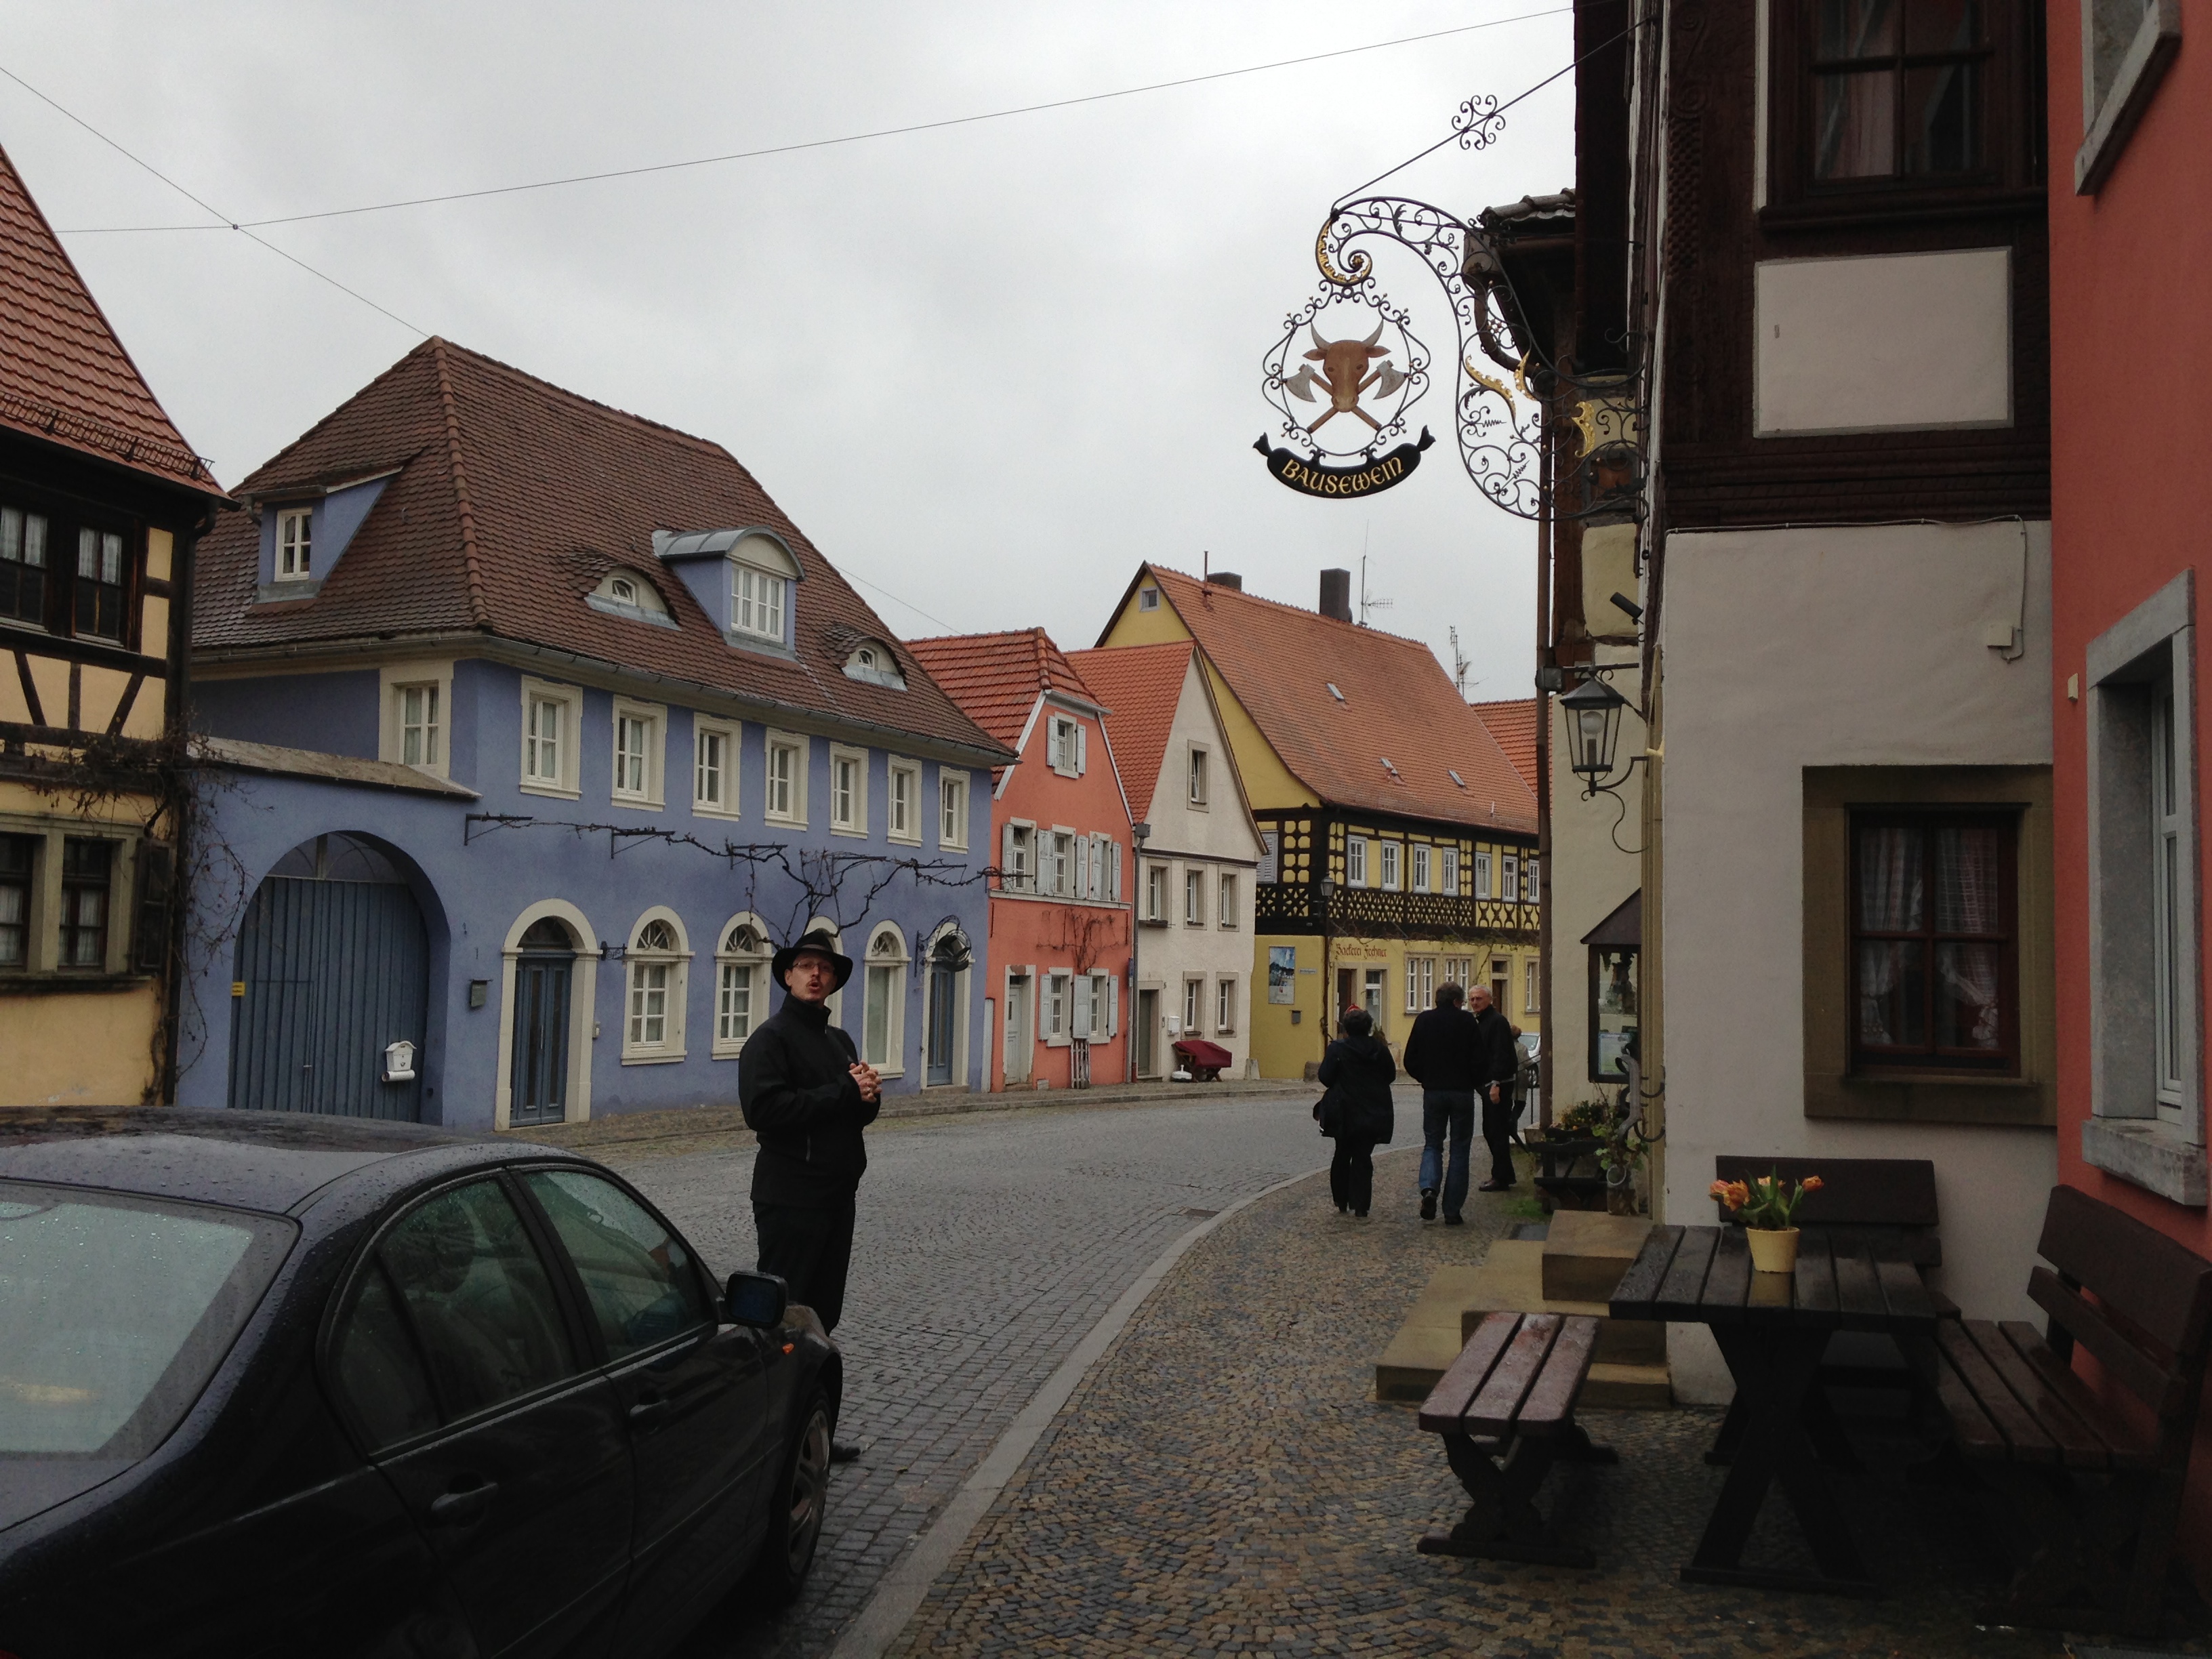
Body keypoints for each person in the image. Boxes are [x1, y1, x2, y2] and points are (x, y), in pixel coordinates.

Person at [739, 928, 882, 1462]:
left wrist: (868, 1096)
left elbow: (850, 1111)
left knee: (824, 1316)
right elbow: (766, 1112)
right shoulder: (769, 1041)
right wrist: (845, 1092)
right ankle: (771, 1436)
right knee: (787, 1319)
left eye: (824, 967)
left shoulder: (838, 1041)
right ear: (787, 975)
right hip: (790, 1197)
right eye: (806, 965)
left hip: (836, 1195)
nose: (816, 974)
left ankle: (812, 1435)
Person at [1401, 981, 1481, 1225]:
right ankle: (1452, 1210)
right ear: (1458, 1001)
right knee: (1459, 1149)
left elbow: (1409, 1059)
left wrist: (1426, 1078)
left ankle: (1429, 1189)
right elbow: (1480, 1059)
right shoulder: (1468, 1022)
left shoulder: (1424, 1021)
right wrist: (1473, 1080)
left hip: (1434, 1091)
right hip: (1462, 1093)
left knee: (1433, 1144)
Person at [1317, 1006, 1396, 1217]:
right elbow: (1390, 1076)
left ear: (1346, 1028)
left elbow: (1325, 1076)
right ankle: (1361, 1205)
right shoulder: (1379, 1049)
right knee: (1363, 1156)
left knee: (1342, 1153)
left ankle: (1341, 1199)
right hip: (1373, 1109)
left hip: (1343, 1110)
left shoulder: (1337, 1049)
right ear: (1369, 1027)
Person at [1468, 984, 1523, 1191]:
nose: (1475, 1002)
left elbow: (1501, 1054)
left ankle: (1500, 1177)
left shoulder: (1497, 1022)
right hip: (1487, 1083)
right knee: (1491, 1130)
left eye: (1479, 999)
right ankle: (1505, 1174)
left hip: (1497, 1084)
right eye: (1472, 999)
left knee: (1496, 1131)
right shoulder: (1481, 1021)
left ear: (1489, 1000)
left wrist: (1496, 1083)